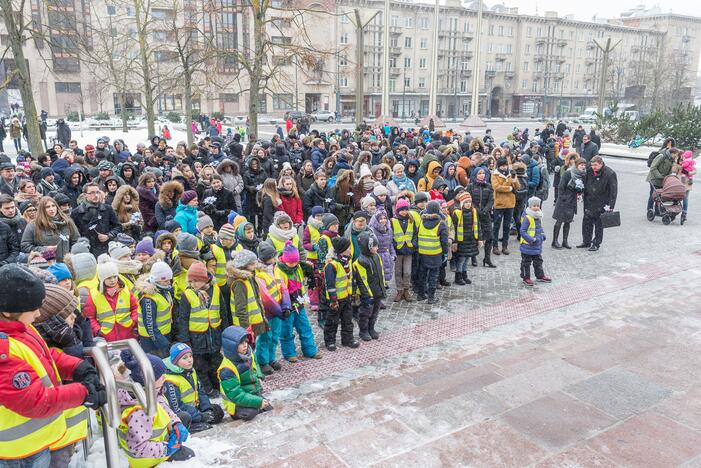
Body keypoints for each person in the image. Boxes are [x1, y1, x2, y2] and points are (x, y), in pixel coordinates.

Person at [0, 264, 105, 467]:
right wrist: (84, 393)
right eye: (33, 309)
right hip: (18, 454)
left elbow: (44, 355)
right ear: (7, 311)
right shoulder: (3, 347)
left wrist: (77, 368)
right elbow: (35, 400)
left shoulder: (21, 328)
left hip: (36, 443)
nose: (39, 314)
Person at [117, 350, 194, 465]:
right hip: (148, 459)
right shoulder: (139, 411)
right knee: (190, 456)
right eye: (160, 376)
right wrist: (167, 449)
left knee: (183, 417)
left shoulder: (149, 392)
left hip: (155, 445)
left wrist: (175, 423)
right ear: (147, 380)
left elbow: (163, 406)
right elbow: (138, 448)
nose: (165, 378)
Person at [177, 261, 223, 398]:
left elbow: (223, 312)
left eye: (196, 281)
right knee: (200, 366)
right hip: (197, 337)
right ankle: (207, 389)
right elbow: (183, 318)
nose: (193, 284)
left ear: (204, 279)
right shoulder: (187, 295)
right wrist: (185, 339)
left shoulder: (216, 290)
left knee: (216, 362)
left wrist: (224, 331)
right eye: (191, 281)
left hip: (214, 333)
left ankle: (219, 385)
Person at [274, 242, 321, 360]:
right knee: (286, 331)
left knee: (305, 327)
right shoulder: (279, 270)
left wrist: (310, 268)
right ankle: (289, 354)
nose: (294, 264)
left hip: (299, 304)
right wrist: (284, 306)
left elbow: (305, 276)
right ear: (285, 260)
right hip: (287, 306)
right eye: (291, 262)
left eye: (296, 262)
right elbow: (280, 290)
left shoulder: (299, 267)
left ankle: (310, 350)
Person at [163, 343, 225, 433]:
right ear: (175, 361)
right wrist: (200, 416)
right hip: (182, 413)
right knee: (185, 417)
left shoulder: (191, 371)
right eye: (184, 358)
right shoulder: (170, 380)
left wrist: (207, 409)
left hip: (196, 409)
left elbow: (201, 391)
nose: (189, 360)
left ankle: (200, 419)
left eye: (190, 356)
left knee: (218, 412)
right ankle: (191, 426)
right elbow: (176, 408)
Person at [217, 326, 272, 421]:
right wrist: (258, 402)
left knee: (268, 409)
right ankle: (237, 414)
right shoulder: (227, 369)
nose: (245, 345)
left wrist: (259, 375)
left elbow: (256, 364)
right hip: (235, 403)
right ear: (231, 346)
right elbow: (236, 395)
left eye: (246, 342)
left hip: (252, 393)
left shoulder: (248, 354)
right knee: (252, 413)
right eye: (241, 343)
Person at [83, 259, 139, 342]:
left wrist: (133, 321)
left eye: (115, 276)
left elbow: (135, 308)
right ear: (102, 279)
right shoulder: (94, 295)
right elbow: (89, 317)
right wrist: (98, 330)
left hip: (128, 335)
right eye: (109, 278)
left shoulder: (125, 290)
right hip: (107, 338)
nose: (113, 280)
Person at [321, 236, 358, 350]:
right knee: (332, 321)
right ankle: (330, 341)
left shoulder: (347, 261)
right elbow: (330, 284)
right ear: (342, 250)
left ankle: (348, 339)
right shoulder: (332, 265)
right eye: (348, 248)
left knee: (348, 320)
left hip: (346, 297)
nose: (350, 250)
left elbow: (349, 279)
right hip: (335, 299)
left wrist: (352, 293)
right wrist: (333, 299)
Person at [134, 260, 174, 357]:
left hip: (164, 334)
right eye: (165, 280)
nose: (168, 283)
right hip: (151, 340)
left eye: (169, 280)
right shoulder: (148, 298)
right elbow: (150, 325)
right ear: (156, 280)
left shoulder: (164, 290)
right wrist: (163, 343)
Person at [21, 196, 79, 262]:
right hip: (45, 264)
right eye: (47, 207)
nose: (51, 209)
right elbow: (25, 246)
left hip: (67, 262)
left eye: (53, 206)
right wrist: (44, 249)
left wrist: (71, 255)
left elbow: (76, 240)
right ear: (42, 209)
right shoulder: (33, 225)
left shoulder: (67, 221)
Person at [71, 182, 121, 257]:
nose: (96, 195)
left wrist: (108, 236)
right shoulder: (76, 213)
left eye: (97, 192)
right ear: (85, 195)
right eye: (92, 193)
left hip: (105, 249)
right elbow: (74, 235)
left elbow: (118, 227)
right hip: (87, 251)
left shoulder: (108, 209)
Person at [579, 156, 617, 252]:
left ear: (601, 163)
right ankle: (586, 241)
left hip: (602, 202)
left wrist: (611, 205)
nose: (593, 167)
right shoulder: (589, 171)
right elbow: (585, 182)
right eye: (592, 165)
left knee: (599, 224)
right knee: (587, 222)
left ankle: (596, 243)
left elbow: (613, 191)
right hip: (589, 201)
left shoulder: (610, 173)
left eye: (595, 165)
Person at [353, 232, 386, 341]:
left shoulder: (376, 256)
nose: (377, 248)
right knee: (365, 313)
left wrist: (383, 287)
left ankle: (371, 328)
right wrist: (367, 295)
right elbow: (362, 280)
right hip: (367, 294)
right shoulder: (360, 262)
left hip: (377, 291)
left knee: (375, 312)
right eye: (374, 246)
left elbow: (381, 273)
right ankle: (363, 330)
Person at [416, 200, 449, 304]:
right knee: (433, 276)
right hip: (435, 254)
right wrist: (445, 253)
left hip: (422, 254)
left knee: (422, 275)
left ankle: (421, 295)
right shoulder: (441, 224)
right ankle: (431, 297)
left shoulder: (421, 222)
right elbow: (444, 242)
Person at [552, 157, 586, 249]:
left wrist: (580, 190)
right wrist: (563, 198)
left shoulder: (582, 175)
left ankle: (565, 241)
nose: (583, 167)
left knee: (568, 222)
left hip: (572, 201)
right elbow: (561, 186)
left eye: (584, 165)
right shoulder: (568, 173)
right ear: (576, 165)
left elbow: (582, 188)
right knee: (559, 221)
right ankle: (554, 241)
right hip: (563, 201)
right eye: (581, 164)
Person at [519, 197, 551, 286]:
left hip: (537, 245)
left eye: (538, 205)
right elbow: (522, 231)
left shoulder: (539, 216)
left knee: (538, 261)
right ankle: (526, 278)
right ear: (530, 206)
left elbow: (540, 228)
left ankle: (540, 276)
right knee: (526, 262)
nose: (536, 207)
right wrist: (531, 239)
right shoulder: (527, 218)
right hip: (528, 245)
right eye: (534, 206)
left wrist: (543, 235)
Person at [491, 158, 520, 256]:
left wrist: (515, 179)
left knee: (507, 226)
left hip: (510, 204)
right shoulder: (495, 175)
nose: (504, 167)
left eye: (505, 165)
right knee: (496, 226)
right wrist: (509, 186)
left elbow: (518, 187)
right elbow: (497, 187)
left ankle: (505, 246)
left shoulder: (510, 174)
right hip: (499, 204)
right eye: (502, 166)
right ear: (498, 166)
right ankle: (495, 246)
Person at [451, 192, 481, 285]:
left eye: (469, 202)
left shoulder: (474, 211)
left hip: (471, 239)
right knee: (461, 259)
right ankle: (458, 277)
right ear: (462, 203)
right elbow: (454, 228)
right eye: (466, 202)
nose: (468, 204)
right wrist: (455, 242)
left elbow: (477, 225)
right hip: (462, 241)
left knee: (467, 258)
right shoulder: (457, 213)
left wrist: (479, 238)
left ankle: (464, 275)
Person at [391, 197, 416, 302]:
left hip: (409, 250)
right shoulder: (393, 221)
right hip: (398, 250)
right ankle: (399, 290)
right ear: (397, 210)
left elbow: (415, 234)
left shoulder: (411, 220)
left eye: (406, 209)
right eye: (402, 210)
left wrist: (414, 244)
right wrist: (395, 245)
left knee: (407, 272)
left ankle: (406, 290)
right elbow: (391, 235)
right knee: (397, 271)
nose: (404, 212)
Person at [646, 147, 679, 213]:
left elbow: (670, 171)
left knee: (659, 195)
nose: (676, 156)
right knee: (653, 194)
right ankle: (649, 209)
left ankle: (657, 210)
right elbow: (653, 167)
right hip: (654, 179)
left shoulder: (672, 160)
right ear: (672, 153)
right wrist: (660, 176)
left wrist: (668, 178)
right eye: (675, 154)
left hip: (662, 180)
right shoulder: (661, 156)